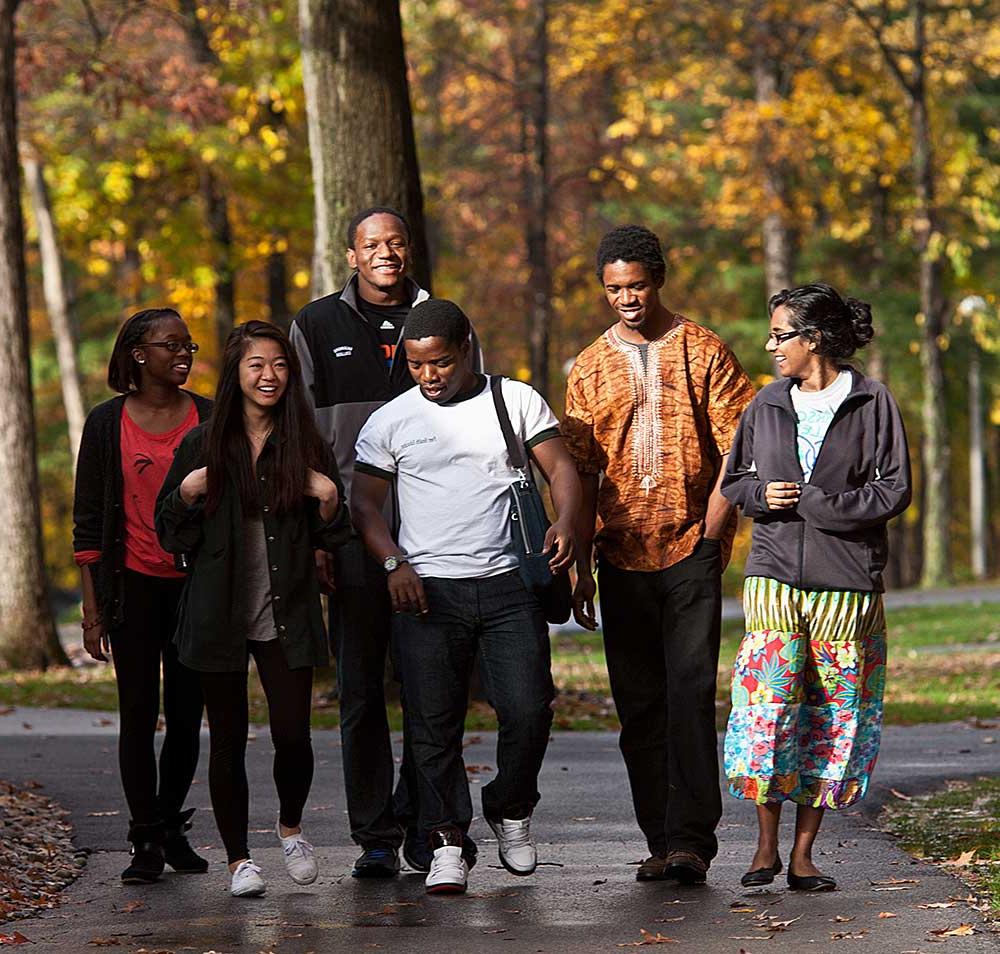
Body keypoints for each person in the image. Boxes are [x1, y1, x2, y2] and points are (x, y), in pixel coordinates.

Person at [351, 299, 580, 895]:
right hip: (427, 592)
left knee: (529, 710)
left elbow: (561, 470)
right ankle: (445, 840)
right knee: (432, 726)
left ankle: (510, 808)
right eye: (417, 365)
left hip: (509, 587)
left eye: (441, 363)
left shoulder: (515, 399)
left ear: (468, 348)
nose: (429, 376)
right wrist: (393, 562)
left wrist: (568, 524)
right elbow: (365, 504)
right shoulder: (391, 420)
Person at [289, 206, 483, 877]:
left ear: (409, 249)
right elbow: (299, 437)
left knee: (438, 690)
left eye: (396, 242)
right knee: (362, 689)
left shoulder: (446, 322)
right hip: (350, 537)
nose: (386, 253)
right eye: (372, 244)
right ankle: (375, 835)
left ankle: (431, 826)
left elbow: (476, 420)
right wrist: (317, 535)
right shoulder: (316, 325)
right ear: (351, 254)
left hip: (438, 536)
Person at [563, 225, 755, 885]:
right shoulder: (588, 368)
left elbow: (742, 440)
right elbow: (580, 470)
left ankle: (692, 841)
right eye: (615, 288)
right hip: (618, 556)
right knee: (639, 703)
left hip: (689, 548)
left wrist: (715, 523)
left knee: (690, 691)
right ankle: (659, 837)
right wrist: (580, 556)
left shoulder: (701, 349)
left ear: (658, 279)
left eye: (637, 285)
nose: (627, 299)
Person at [721, 283, 911, 891]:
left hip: (846, 583)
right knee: (767, 713)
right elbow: (735, 481)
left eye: (782, 335)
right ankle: (763, 849)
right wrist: (761, 496)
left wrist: (817, 504)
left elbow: (893, 489)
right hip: (773, 579)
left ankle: (804, 854)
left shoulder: (873, 402)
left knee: (833, 718)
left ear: (816, 339)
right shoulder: (765, 403)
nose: (771, 345)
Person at [155, 321, 351, 898]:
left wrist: (331, 500)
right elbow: (170, 535)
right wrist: (186, 493)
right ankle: (240, 859)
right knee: (229, 741)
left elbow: (335, 539)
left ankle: (290, 828)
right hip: (218, 613)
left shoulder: (306, 444)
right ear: (236, 374)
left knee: (293, 736)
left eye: (280, 365)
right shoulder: (204, 442)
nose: (269, 376)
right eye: (256, 365)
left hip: (285, 609)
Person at [73, 307, 210, 885]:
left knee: (185, 717)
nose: (183, 353)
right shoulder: (107, 424)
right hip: (132, 587)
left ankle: (170, 826)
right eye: (170, 344)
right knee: (138, 715)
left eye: (189, 345)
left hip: (196, 587)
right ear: (137, 354)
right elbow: (87, 523)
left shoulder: (208, 415)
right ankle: (144, 838)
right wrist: (92, 607)